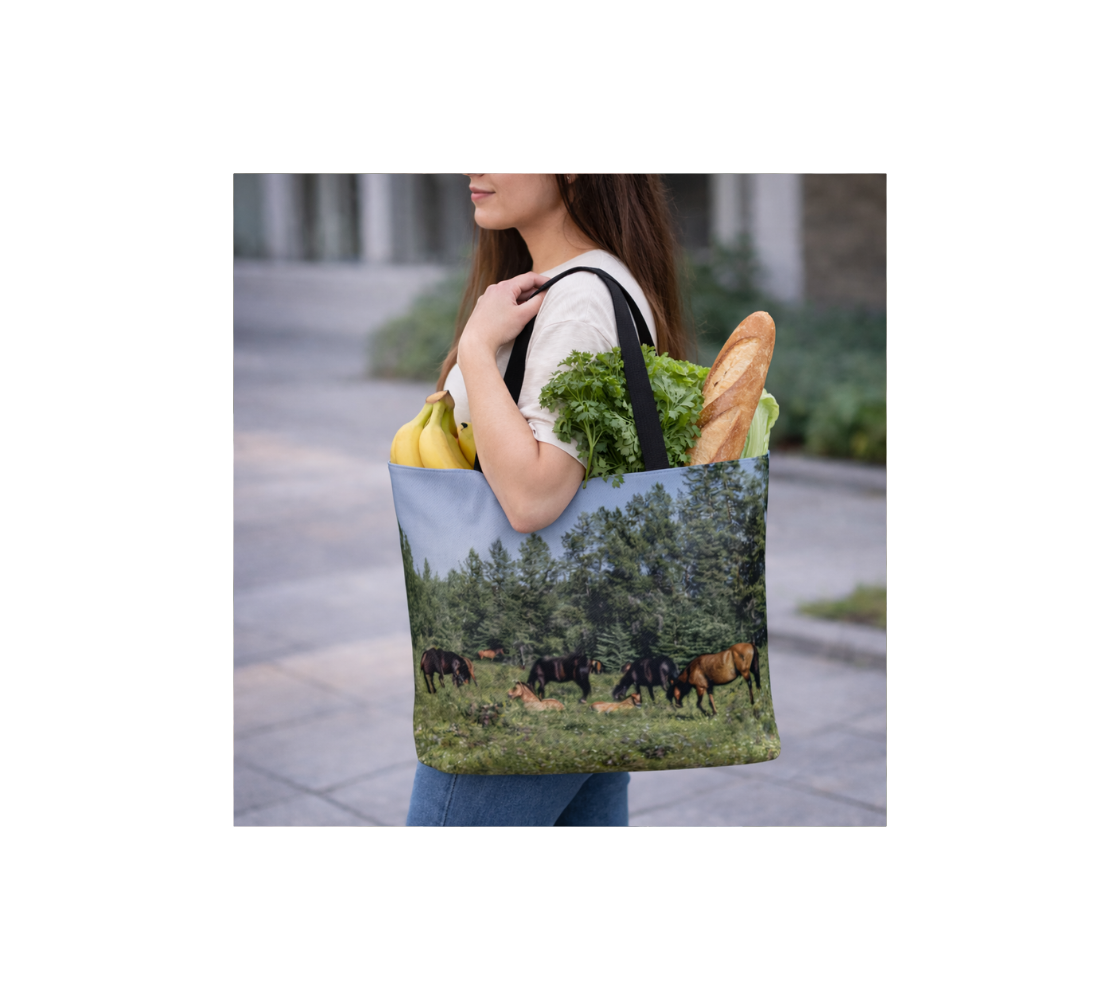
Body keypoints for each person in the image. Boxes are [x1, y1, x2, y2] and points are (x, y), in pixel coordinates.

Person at [406, 173, 693, 827]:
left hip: (529, 646)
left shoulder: (580, 300)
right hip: (587, 630)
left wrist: (478, 349)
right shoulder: (572, 286)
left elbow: (534, 497)